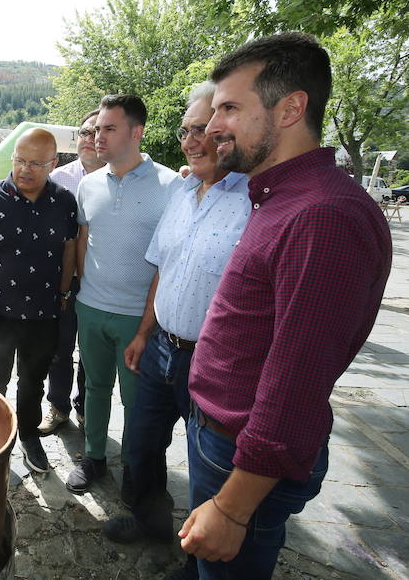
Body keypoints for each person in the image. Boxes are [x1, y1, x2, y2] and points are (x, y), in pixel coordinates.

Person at [178, 32, 391, 579]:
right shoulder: (281, 198)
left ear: (291, 107)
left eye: (230, 107)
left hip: (242, 459)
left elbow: (296, 381)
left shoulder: (322, 216)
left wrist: (231, 508)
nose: (213, 125)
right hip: (221, 441)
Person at [101, 83, 250, 580]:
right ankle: (151, 521)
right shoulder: (183, 193)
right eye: (186, 130)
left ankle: (198, 558)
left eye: (203, 129)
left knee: (208, 464)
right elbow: (163, 268)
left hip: (213, 359)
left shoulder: (254, 200)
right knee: (141, 444)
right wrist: (145, 332)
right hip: (163, 345)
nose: (191, 140)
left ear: (228, 133)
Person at [65, 94, 181, 499]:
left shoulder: (171, 186)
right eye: (96, 129)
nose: (99, 137)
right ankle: (93, 457)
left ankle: (134, 469)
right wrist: (79, 288)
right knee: (95, 388)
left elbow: (169, 262)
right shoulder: (89, 184)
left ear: (137, 131)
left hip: (138, 317)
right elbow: (83, 237)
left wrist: (149, 326)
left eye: (109, 128)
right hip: (92, 308)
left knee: (137, 401)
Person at [0, 128, 78, 474]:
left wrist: (64, 293)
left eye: (36, 164)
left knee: (33, 383)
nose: (25, 169)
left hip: (44, 312)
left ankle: (28, 437)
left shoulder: (64, 201)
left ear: (53, 163)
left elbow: (70, 247)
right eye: (20, 160)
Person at [37, 109, 104, 435]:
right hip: (62, 280)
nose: (89, 139)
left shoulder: (119, 179)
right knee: (60, 349)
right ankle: (58, 407)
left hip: (100, 281)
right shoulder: (58, 178)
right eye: (84, 132)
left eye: (96, 132)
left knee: (91, 354)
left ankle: (86, 410)